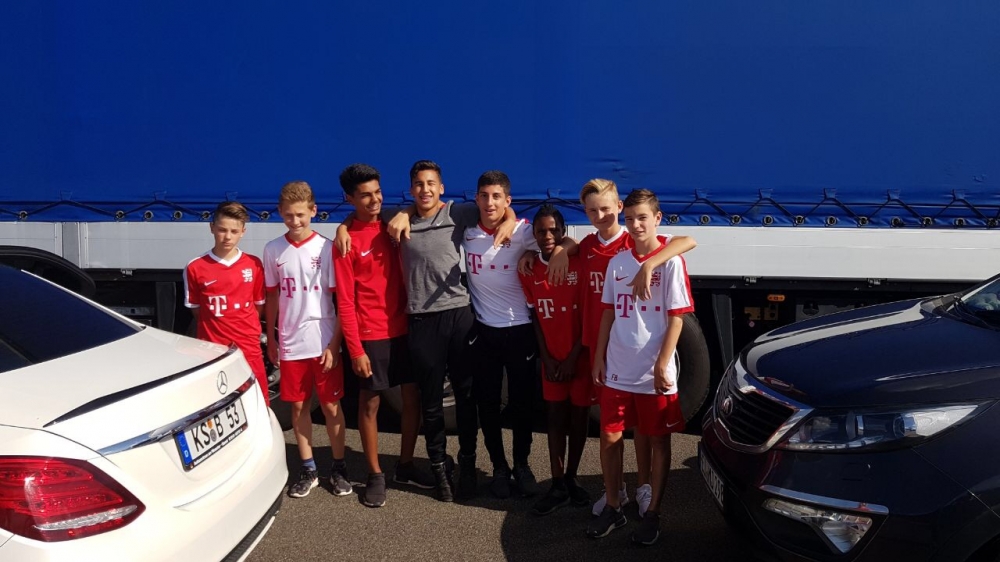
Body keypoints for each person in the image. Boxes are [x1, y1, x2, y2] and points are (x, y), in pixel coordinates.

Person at [336, 160, 519, 502]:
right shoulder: (394, 217)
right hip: (420, 321)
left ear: (442, 188)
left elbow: (496, 209)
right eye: (419, 184)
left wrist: (509, 220)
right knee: (430, 403)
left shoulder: (457, 213)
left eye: (431, 183)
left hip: (458, 316)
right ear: (410, 190)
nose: (425, 189)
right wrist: (342, 228)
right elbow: (360, 214)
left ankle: (467, 466)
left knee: (466, 398)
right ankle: (439, 471)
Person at [577, 178, 696, 518]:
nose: (635, 224)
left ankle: (650, 502)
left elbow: (677, 316)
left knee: (654, 436)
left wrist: (662, 363)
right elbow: (608, 312)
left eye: (641, 217)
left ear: (656, 218)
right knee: (610, 436)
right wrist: (599, 356)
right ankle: (615, 499)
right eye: (631, 219)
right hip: (617, 364)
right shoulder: (611, 258)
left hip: (652, 368)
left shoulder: (665, 257)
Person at [335, 163, 433, 508]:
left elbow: (419, 207)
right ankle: (375, 474)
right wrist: (355, 349)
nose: (375, 199)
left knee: (412, 399)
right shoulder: (345, 242)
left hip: (406, 326)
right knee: (370, 404)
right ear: (349, 198)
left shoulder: (395, 223)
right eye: (365, 195)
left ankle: (405, 466)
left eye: (377, 192)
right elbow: (345, 300)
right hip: (371, 334)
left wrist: (402, 212)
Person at [462, 171, 554, 499]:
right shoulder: (466, 232)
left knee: (522, 404)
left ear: (507, 200)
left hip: (520, 331)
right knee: (487, 404)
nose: (490, 203)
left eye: (497, 197)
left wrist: (532, 250)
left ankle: (522, 465)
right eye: (484, 196)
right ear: (476, 199)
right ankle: (499, 467)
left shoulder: (523, 232)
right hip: (484, 332)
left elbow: (563, 243)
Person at [264, 181, 351, 499]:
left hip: (323, 340)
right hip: (290, 342)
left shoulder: (327, 248)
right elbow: (272, 296)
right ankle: (308, 469)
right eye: (288, 215)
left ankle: (339, 467)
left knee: (330, 405)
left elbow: (340, 301)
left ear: (313, 211)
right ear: (280, 213)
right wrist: (272, 338)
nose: (295, 221)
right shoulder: (273, 249)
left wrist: (334, 344)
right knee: (298, 406)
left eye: (300, 214)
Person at [519, 204, 594, 515]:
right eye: (541, 231)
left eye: (554, 230)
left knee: (579, 418)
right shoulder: (528, 269)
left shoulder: (579, 263)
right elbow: (536, 316)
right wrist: (547, 358)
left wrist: (573, 357)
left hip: (579, 358)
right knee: (554, 419)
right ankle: (557, 482)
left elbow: (588, 315)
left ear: (563, 232)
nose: (548, 235)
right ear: (534, 235)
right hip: (552, 360)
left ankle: (572, 476)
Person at [184, 201, 269, 405]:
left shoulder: (254, 264)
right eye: (222, 230)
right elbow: (197, 311)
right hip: (213, 350)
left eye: (234, 231)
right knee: (215, 405)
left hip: (248, 347)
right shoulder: (195, 267)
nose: (228, 236)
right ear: (212, 227)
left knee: (258, 402)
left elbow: (258, 305)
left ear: (243, 232)